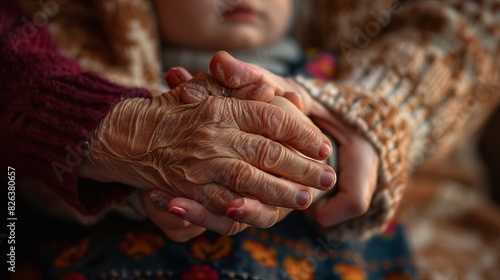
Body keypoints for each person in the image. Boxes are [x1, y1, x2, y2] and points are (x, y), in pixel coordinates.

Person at [2, 0, 500, 279]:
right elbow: (31, 172)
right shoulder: (95, 64)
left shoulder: (339, 71)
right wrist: (137, 183)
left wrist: (323, 145)